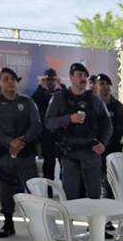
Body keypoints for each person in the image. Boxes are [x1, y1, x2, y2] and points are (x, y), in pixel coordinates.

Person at [0, 67, 42, 237]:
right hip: (5, 154)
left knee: (32, 189)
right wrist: (11, 142)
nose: (10, 82)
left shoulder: (27, 102)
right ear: (0, 82)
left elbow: (36, 124)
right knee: (6, 190)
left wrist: (21, 141)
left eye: (13, 79)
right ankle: (8, 224)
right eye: (6, 79)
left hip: (25, 153)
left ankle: (38, 225)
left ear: (18, 82)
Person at [45, 62, 112, 200]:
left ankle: (96, 221)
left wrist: (103, 143)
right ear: (71, 77)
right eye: (79, 75)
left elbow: (107, 124)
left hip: (91, 152)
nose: (83, 79)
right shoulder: (59, 98)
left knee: (95, 194)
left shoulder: (94, 99)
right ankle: (70, 221)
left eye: (85, 76)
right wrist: (69, 118)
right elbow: (49, 123)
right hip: (70, 152)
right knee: (71, 196)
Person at [95, 73, 123, 196]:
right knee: (98, 180)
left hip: (114, 148)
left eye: (107, 84)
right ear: (96, 86)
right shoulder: (94, 105)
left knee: (112, 181)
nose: (105, 87)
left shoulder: (118, 107)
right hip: (98, 149)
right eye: (102, 84)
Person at [31, 67, 63, 190]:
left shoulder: (61, 94)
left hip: (61, 135)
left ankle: (65, 190)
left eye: (52, 80)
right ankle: (48, 192)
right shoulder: (41, 95)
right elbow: (32, 100)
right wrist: (40, 85)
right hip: (46, 135)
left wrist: (61, 84)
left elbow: (68, 96)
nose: (50, 82)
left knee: (64, 164)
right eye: (47, 80)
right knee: (48, 165)